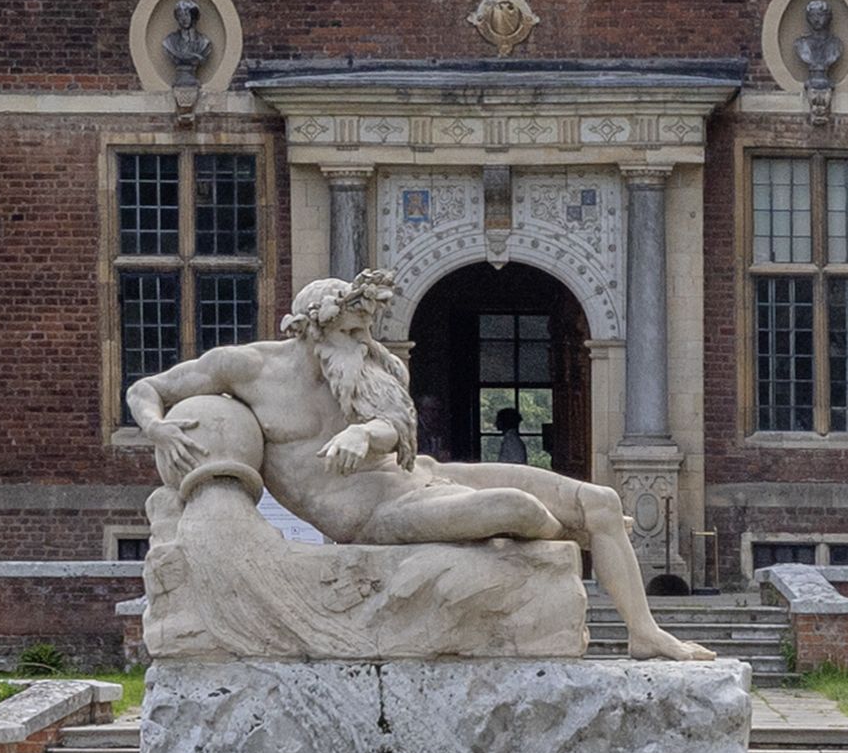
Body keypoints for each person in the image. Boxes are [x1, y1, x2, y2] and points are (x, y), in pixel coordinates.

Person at [123, 268, 703, 661]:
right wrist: (158, 428)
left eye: (366, 329)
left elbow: (397, 431)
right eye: (351, 330)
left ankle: (644, 633)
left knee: (599, 500)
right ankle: (574, 534)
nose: (363, 340)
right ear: (315, 330)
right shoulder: (244, 369)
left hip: (418, 478)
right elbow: (148, 387)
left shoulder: (375, 366)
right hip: (370, 517)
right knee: (518, 507)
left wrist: (367, 433)